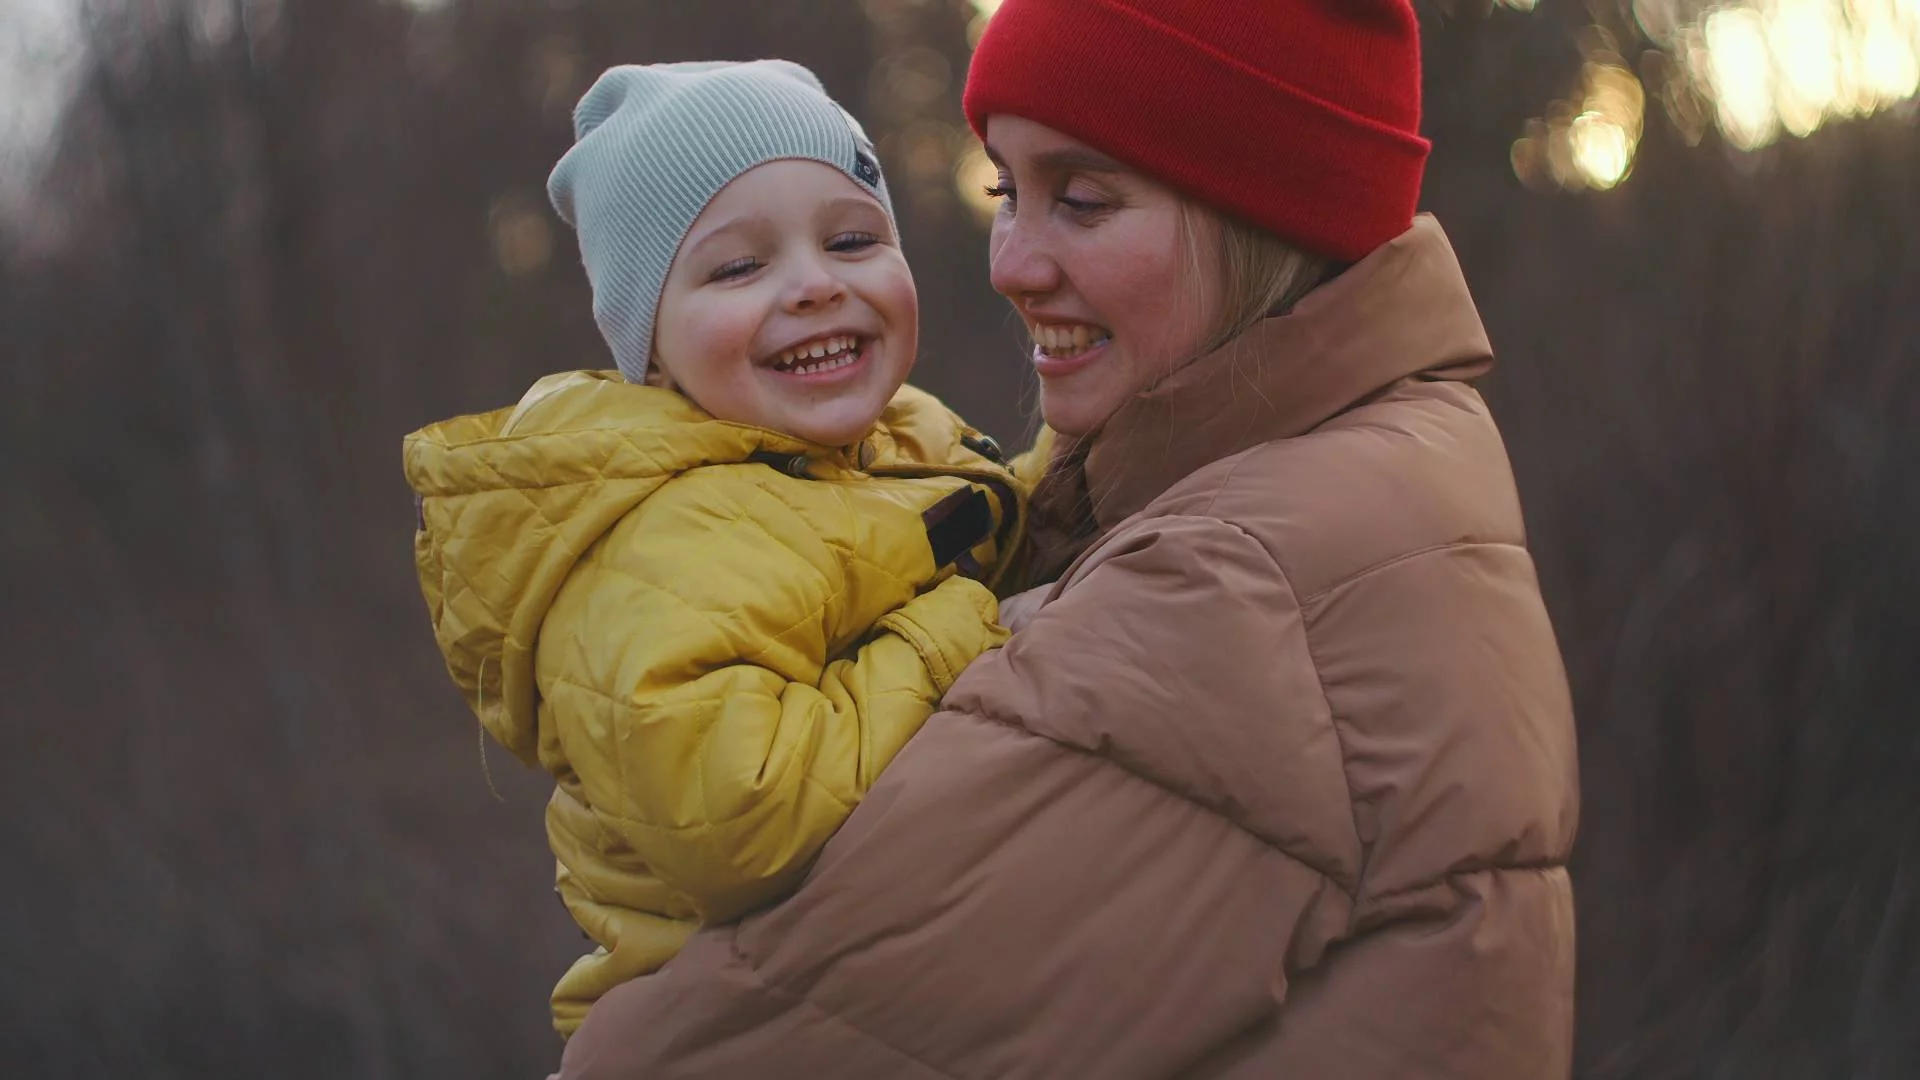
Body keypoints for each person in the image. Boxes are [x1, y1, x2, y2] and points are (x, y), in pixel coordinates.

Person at [553, 1, 1579, 1078]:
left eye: (1081, 200)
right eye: (1006, 190)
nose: (1010, 263)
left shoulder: (1243, 579)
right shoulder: (1352, 478)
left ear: (1265, 212)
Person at [402, 60, 1025, 1038]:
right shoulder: (651, 546)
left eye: (853, 239)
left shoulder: (905, 432)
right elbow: (744, 814)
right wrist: (965, 625)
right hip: (740, 1032)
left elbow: (1010, 515)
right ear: (650, 350)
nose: (815, 284)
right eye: (739, 267)